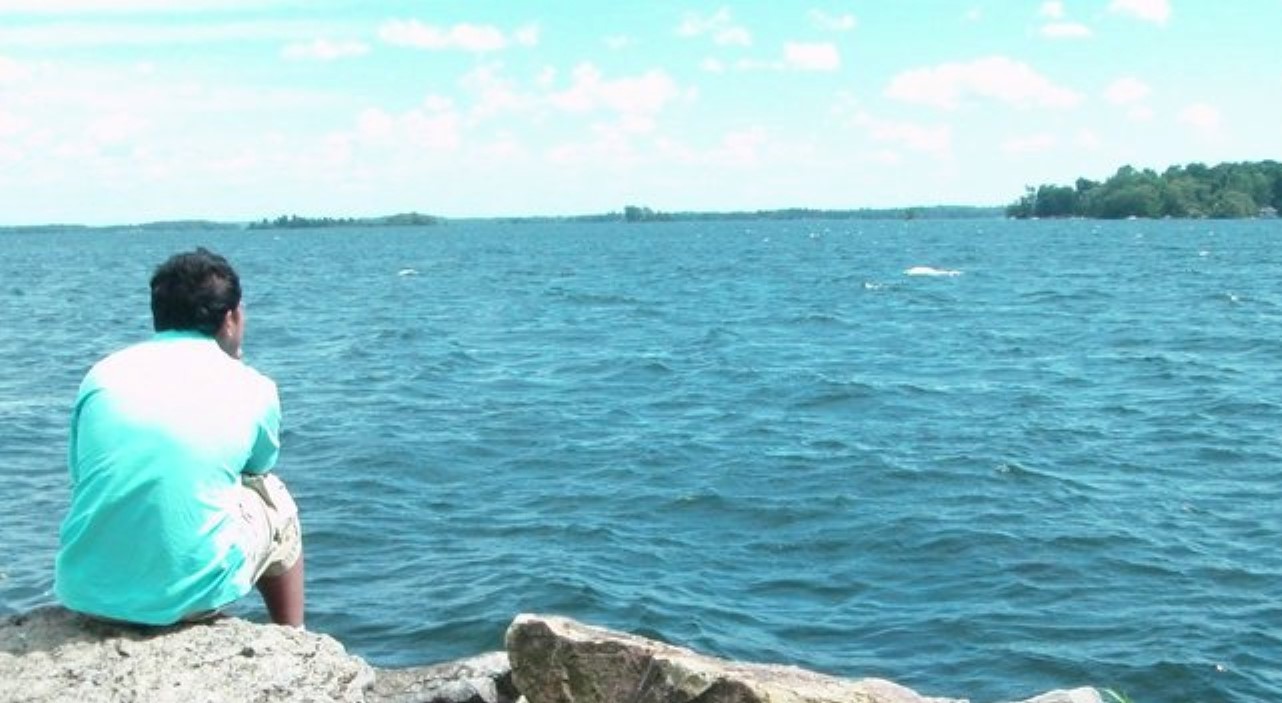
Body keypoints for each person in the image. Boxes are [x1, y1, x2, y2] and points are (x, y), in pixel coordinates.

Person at [55, 247, 304, 627]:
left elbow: (80, 476)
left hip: (85, 594)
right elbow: (257, 469)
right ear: (232, 317)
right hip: (188, 601)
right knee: (275, 498)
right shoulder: (254, 387)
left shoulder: (101, 375)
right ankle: (294, 637)